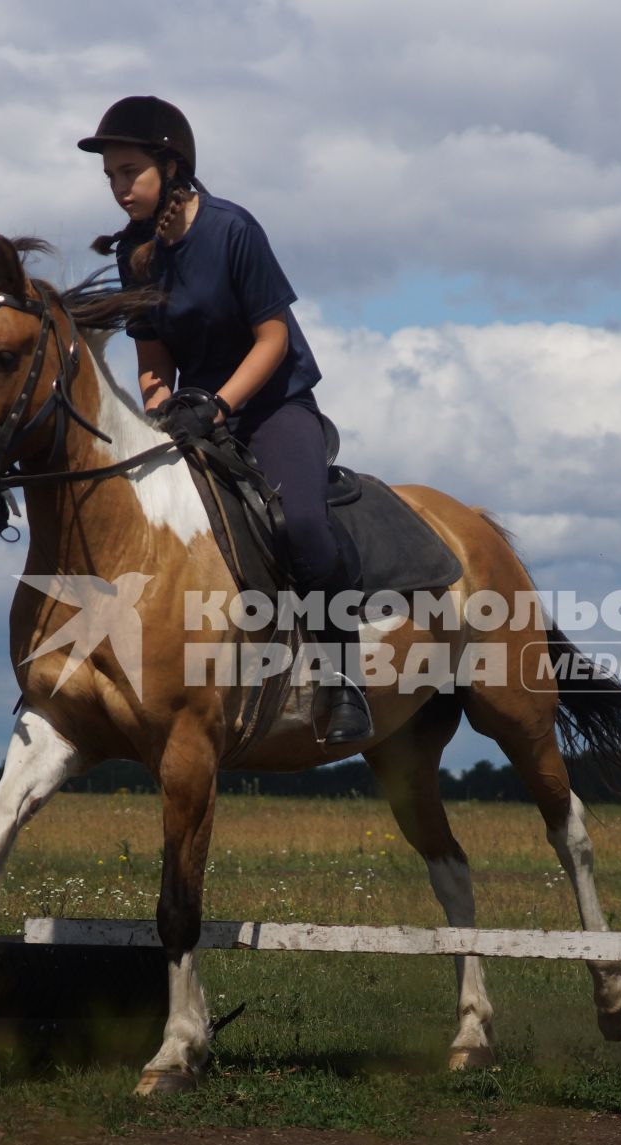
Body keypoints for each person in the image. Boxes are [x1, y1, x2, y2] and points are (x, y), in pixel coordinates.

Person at [80, 95, 372, 744]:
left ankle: (343, 676)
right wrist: (159, 409)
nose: (119, 188)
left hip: (271, 405)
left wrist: (218, 403)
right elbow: (151, 358)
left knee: (299, 522)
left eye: (129, 172)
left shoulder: (233, 230)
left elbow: (272, 338)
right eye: (111, 178)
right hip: (192, 418)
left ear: (171, 165)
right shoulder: (136, 254)